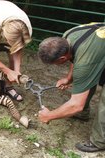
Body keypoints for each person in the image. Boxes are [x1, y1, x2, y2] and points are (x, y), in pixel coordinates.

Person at [37, 22, 105, 152]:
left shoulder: (85, 64)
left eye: (55, 64)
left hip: (96, 53)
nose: (56, 66)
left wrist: (49, 116)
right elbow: (76, 56)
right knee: (85, 81)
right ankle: (83, 114)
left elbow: (76, 104)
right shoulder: (68, 36)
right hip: (99, 50)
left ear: (62, 58)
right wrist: (69, 78)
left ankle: (99, 141)